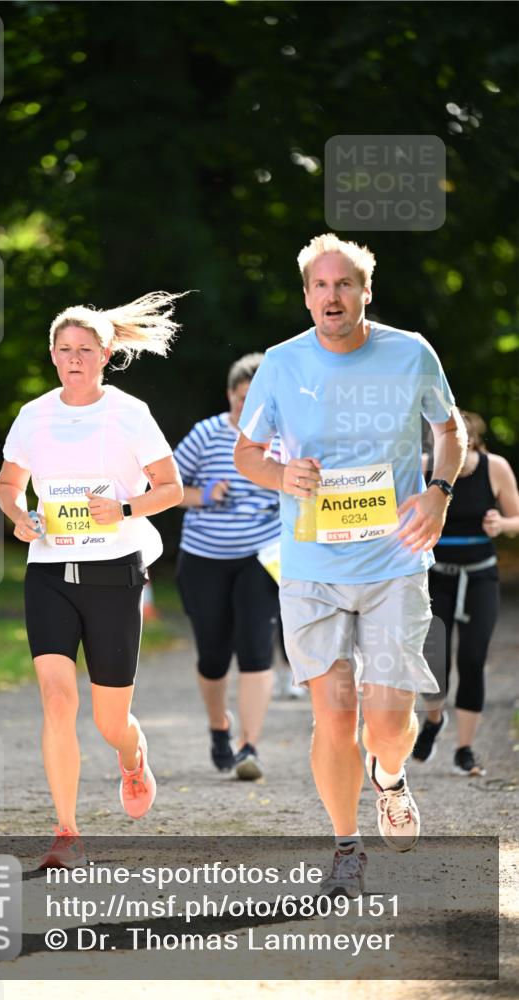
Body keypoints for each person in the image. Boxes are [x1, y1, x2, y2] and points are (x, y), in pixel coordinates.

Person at [234, 233, 467, 897]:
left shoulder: (410, 352)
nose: (331, 296)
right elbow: (246, 454)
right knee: (334, 713)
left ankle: (388, 778)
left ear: (365, 292)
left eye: (344, 285)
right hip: (311, 565)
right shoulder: (280, 364)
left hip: (394, 558)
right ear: (306, 296)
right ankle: (345, 846)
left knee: (388, 723)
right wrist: (282, 474)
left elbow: (448, 431)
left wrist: (439, 492)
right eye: (319, 286)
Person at [0, 292, 184, 867]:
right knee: (56, 699)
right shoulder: (34, 415)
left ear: (105, 354)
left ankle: (132, 756)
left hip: (114, 575)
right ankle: (67, 833)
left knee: (108, 721)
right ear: (52, 356)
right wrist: (20, 517)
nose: (74, 358)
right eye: (64, 349)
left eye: (85, 349)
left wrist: (124, 510)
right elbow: (7, 484)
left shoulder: (128, 412)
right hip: (49, 572)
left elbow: (170, 489)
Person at [174, 354, 281, 781]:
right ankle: (220, 727)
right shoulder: (207, 434)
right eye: (240, 400)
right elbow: (163, 488)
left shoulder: (284, 437)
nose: (247, 409)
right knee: (214, 655)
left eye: (255, 401)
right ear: (229, 396)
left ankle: (248, 746)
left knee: (257, 650)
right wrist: (202, 495)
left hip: (262, 557)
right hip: (204, 558)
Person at [412, 410, 519, 774]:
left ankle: (465, 749)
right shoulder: (424, 468)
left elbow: (516, 518)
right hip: (436, 576)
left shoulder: (495, 467)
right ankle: (434, 720)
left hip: (479, 577)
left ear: (471, 440)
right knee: (433, 662)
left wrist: (501, 523)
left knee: (472, 660)